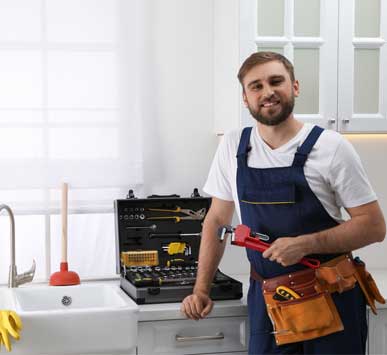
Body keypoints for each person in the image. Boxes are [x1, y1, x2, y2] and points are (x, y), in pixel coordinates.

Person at [180, 51, 386, 354]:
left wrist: (305, 244)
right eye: (256, 86)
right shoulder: (233, 146)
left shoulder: (331, 147)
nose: (268, 92)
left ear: (295, 87)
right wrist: (201, 290)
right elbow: (216, 221)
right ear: (245, 98)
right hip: (269, 301)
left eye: (276, 81)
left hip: (332, 298)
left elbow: (374, 227)